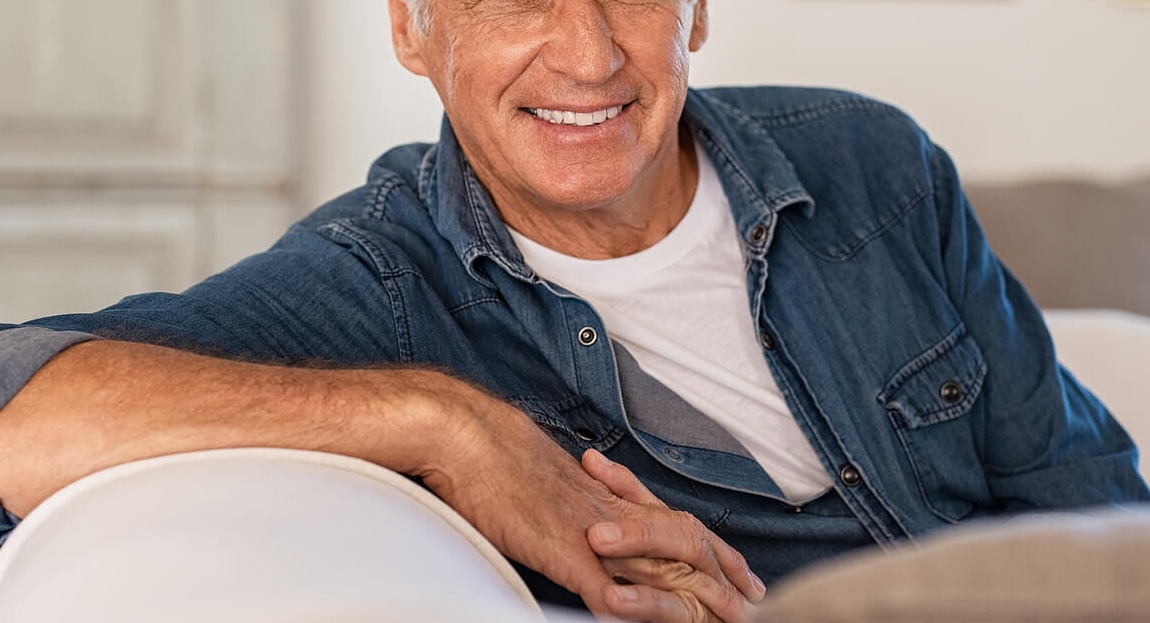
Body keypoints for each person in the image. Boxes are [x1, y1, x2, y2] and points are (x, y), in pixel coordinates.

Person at [0, 0, 1146, 621]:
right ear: (411, 27)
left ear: (696, 8)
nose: (589, 51)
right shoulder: (381, 283)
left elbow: (1086, 495)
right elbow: (16, 407)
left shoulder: (871, 163)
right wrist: (448, 426)